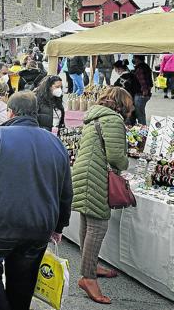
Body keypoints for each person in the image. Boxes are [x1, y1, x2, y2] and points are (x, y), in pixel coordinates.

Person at [0, 91, 73, 310]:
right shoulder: (56, 143)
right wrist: (59, 226)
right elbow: (66, 192)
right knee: (23, 283)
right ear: (35, 113)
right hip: (38, 227)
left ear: (10, 112)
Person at [71, 87, 133, 304]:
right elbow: (116, 156)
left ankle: (90, 266)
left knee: (88, 222)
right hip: (96, 174)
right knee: (98, 225)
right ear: (122, 104)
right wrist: (126, 163)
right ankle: (87, 277)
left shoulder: (95, 116)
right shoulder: (113, 120)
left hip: (84, 171)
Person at [132, 55, 152, 125]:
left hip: (141, 94)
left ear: (137, 59)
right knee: (140, 113)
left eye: (134, 58)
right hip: (144, 94)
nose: (133, 59)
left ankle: (142, 130)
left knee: (140, 114)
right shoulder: (145, 66)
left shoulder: (140, 68)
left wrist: (144, 92)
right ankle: (142, 127)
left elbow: (142, 81)